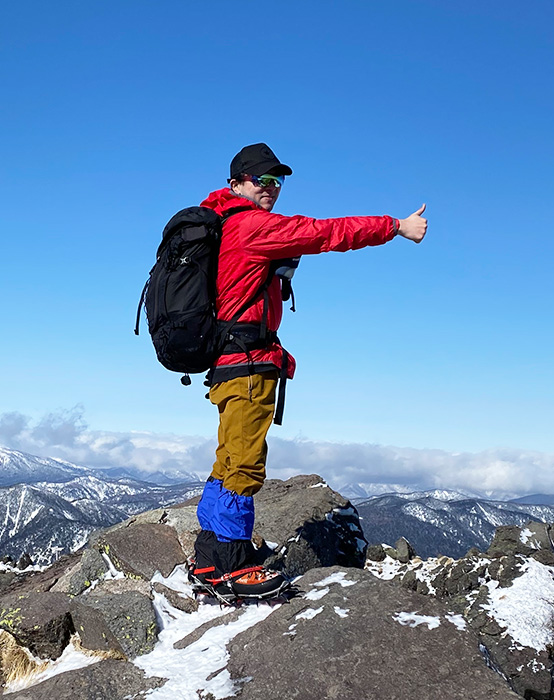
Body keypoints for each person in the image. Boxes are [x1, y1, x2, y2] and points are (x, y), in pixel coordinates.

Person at [190, 143, 428, 598]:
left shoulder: (222, 225)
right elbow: (325, 233)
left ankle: (209, 558)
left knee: (227, 462)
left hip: (229, 363)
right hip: (248, 365)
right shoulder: (252, 227)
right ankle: (235, 567)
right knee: (242, 467)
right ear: (236, 183)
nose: (272, 189)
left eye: (277, 181)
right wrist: (395, 227)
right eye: (262, 180)